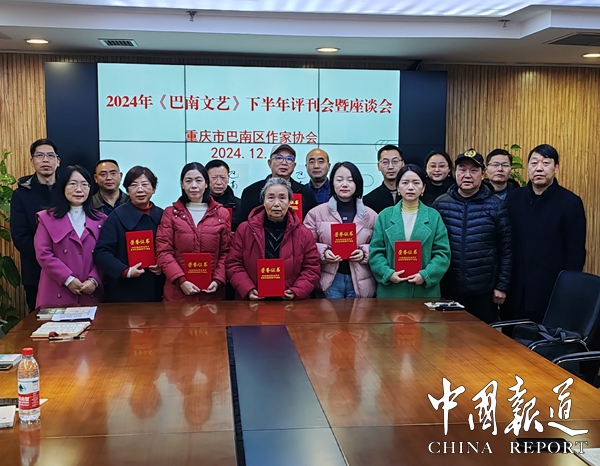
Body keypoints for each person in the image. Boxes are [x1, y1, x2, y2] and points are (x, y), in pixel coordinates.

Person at [505, 144, 586, 323]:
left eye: (546, 163)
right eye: (534, 163)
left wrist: (568, 290)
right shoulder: (514, 199)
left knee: (545, 337)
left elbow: (575, 253)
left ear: (556, 168)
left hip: (551, 292)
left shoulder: (570, 202)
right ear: (528, 168)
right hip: (515, 291)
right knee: (509, 337)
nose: (539, 168)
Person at [433, 150, 511, 323]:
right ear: (455, 173)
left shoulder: (496, 205)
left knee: (482, 338)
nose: (467, 175)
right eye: (462, 169)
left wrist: (502, 285)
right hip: (448, 288)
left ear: (483, 174)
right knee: (447, 336)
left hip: (483, 291)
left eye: (474, 170)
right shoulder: (441, 204)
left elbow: (506, 249)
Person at [227, 178, 320, 300]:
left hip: (291, 303)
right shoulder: (245, 230)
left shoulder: (304, 233)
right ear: (263, 201)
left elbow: (312, 268)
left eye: (282, 198)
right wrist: (248, 289)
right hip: (252, 301)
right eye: (271, 198)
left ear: (290, 202)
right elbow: (233, 264)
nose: (276, 203)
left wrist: (296, 290)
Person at [369, 164, 450, 298]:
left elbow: (442, 253)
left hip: (424, 291)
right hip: (392, 291)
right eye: (405, 182)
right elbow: (376, 251)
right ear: (398, 187)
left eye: (416, 183)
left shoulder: (433, 216)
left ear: (423, 188)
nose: (410, 187)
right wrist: (387, 274)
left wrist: (426, 275)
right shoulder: (385, 216)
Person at [156, 162, 232, 302]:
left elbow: (226, 252)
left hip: (212, 294)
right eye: (188, 181)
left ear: (206, 184)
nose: (194, 186)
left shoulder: (222, 214)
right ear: (182, 184)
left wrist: (218, 279)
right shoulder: (170, 214)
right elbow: (163, 251)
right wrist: (181, 280)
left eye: (198, 180)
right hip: (177, 293)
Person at [34, 165, 105, 307]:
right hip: (56, 290)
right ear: (62, 187)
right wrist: (68, 279)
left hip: (90, 291)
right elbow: (43, 253)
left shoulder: (101, 220)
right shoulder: (46, 218)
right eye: (73, 184)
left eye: (84, 184)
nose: (79, 189)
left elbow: (106, 254)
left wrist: (94, 280)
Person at [304, 162, 378, 298]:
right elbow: (306, 245)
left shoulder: (371, 215)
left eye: (350, 180)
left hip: (361, 280)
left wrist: (364, 252)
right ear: (332, 182)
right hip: (329, 281)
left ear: (357, 183)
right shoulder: (315, 213)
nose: (344, 184)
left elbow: (379, 246)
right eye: (339, 180)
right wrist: (324, 252)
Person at [94, 166, 165, 302]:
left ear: (154, 189)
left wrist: (163, 265)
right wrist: (125, 271)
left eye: (145, 185)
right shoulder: (115, 217)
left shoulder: (162, 216)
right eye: (134, 185)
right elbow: (102, 252)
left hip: (157, 287)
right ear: (127, 190)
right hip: (124, 290)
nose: (140, 190)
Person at [10, 138, 61, 312]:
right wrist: (48, 259)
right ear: (32, 161)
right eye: (40, 155)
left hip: (71, 270)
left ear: (58, 161)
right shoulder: (21, 195)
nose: (45, 160)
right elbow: (20, 237)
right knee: (40, 322)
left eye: (50, 155)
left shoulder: (68, 190)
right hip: (36, 272)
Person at [237, 144, 318, 228]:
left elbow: (312, 224)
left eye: (289, 159)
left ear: (294, 165)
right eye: (279, 158)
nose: (284, 163)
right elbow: (243, 226)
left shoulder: (306, 193)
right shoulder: (251, 191)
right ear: (269, 163)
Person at [363, 144, 404, 213]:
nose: (390, 167)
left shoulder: (411, 195)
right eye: (385, 162)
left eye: (395, 162)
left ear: (403, 164)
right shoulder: (368, 200)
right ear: (378, 166)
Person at [205, 159, 241, 229]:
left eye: (223, 178)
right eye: (214, 178)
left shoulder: (239, 205)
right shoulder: (199, 204)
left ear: (228, 178)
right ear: (206, 179)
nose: (219, 182)